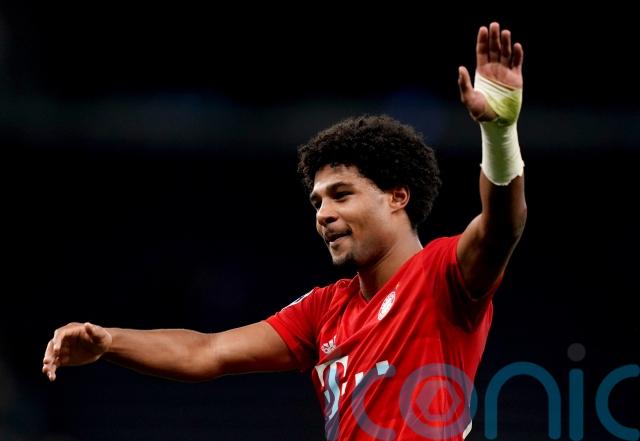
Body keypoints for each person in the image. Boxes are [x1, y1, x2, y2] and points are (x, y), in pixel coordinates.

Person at [42, 22, 526, 441]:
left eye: (341, 194)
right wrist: (110, 341)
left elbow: (502, 225)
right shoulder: (324, 310)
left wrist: (500, 134)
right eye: (318, 202)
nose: (323, 214)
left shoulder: (441, 276)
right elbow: (207, 351)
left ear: (397, 197)